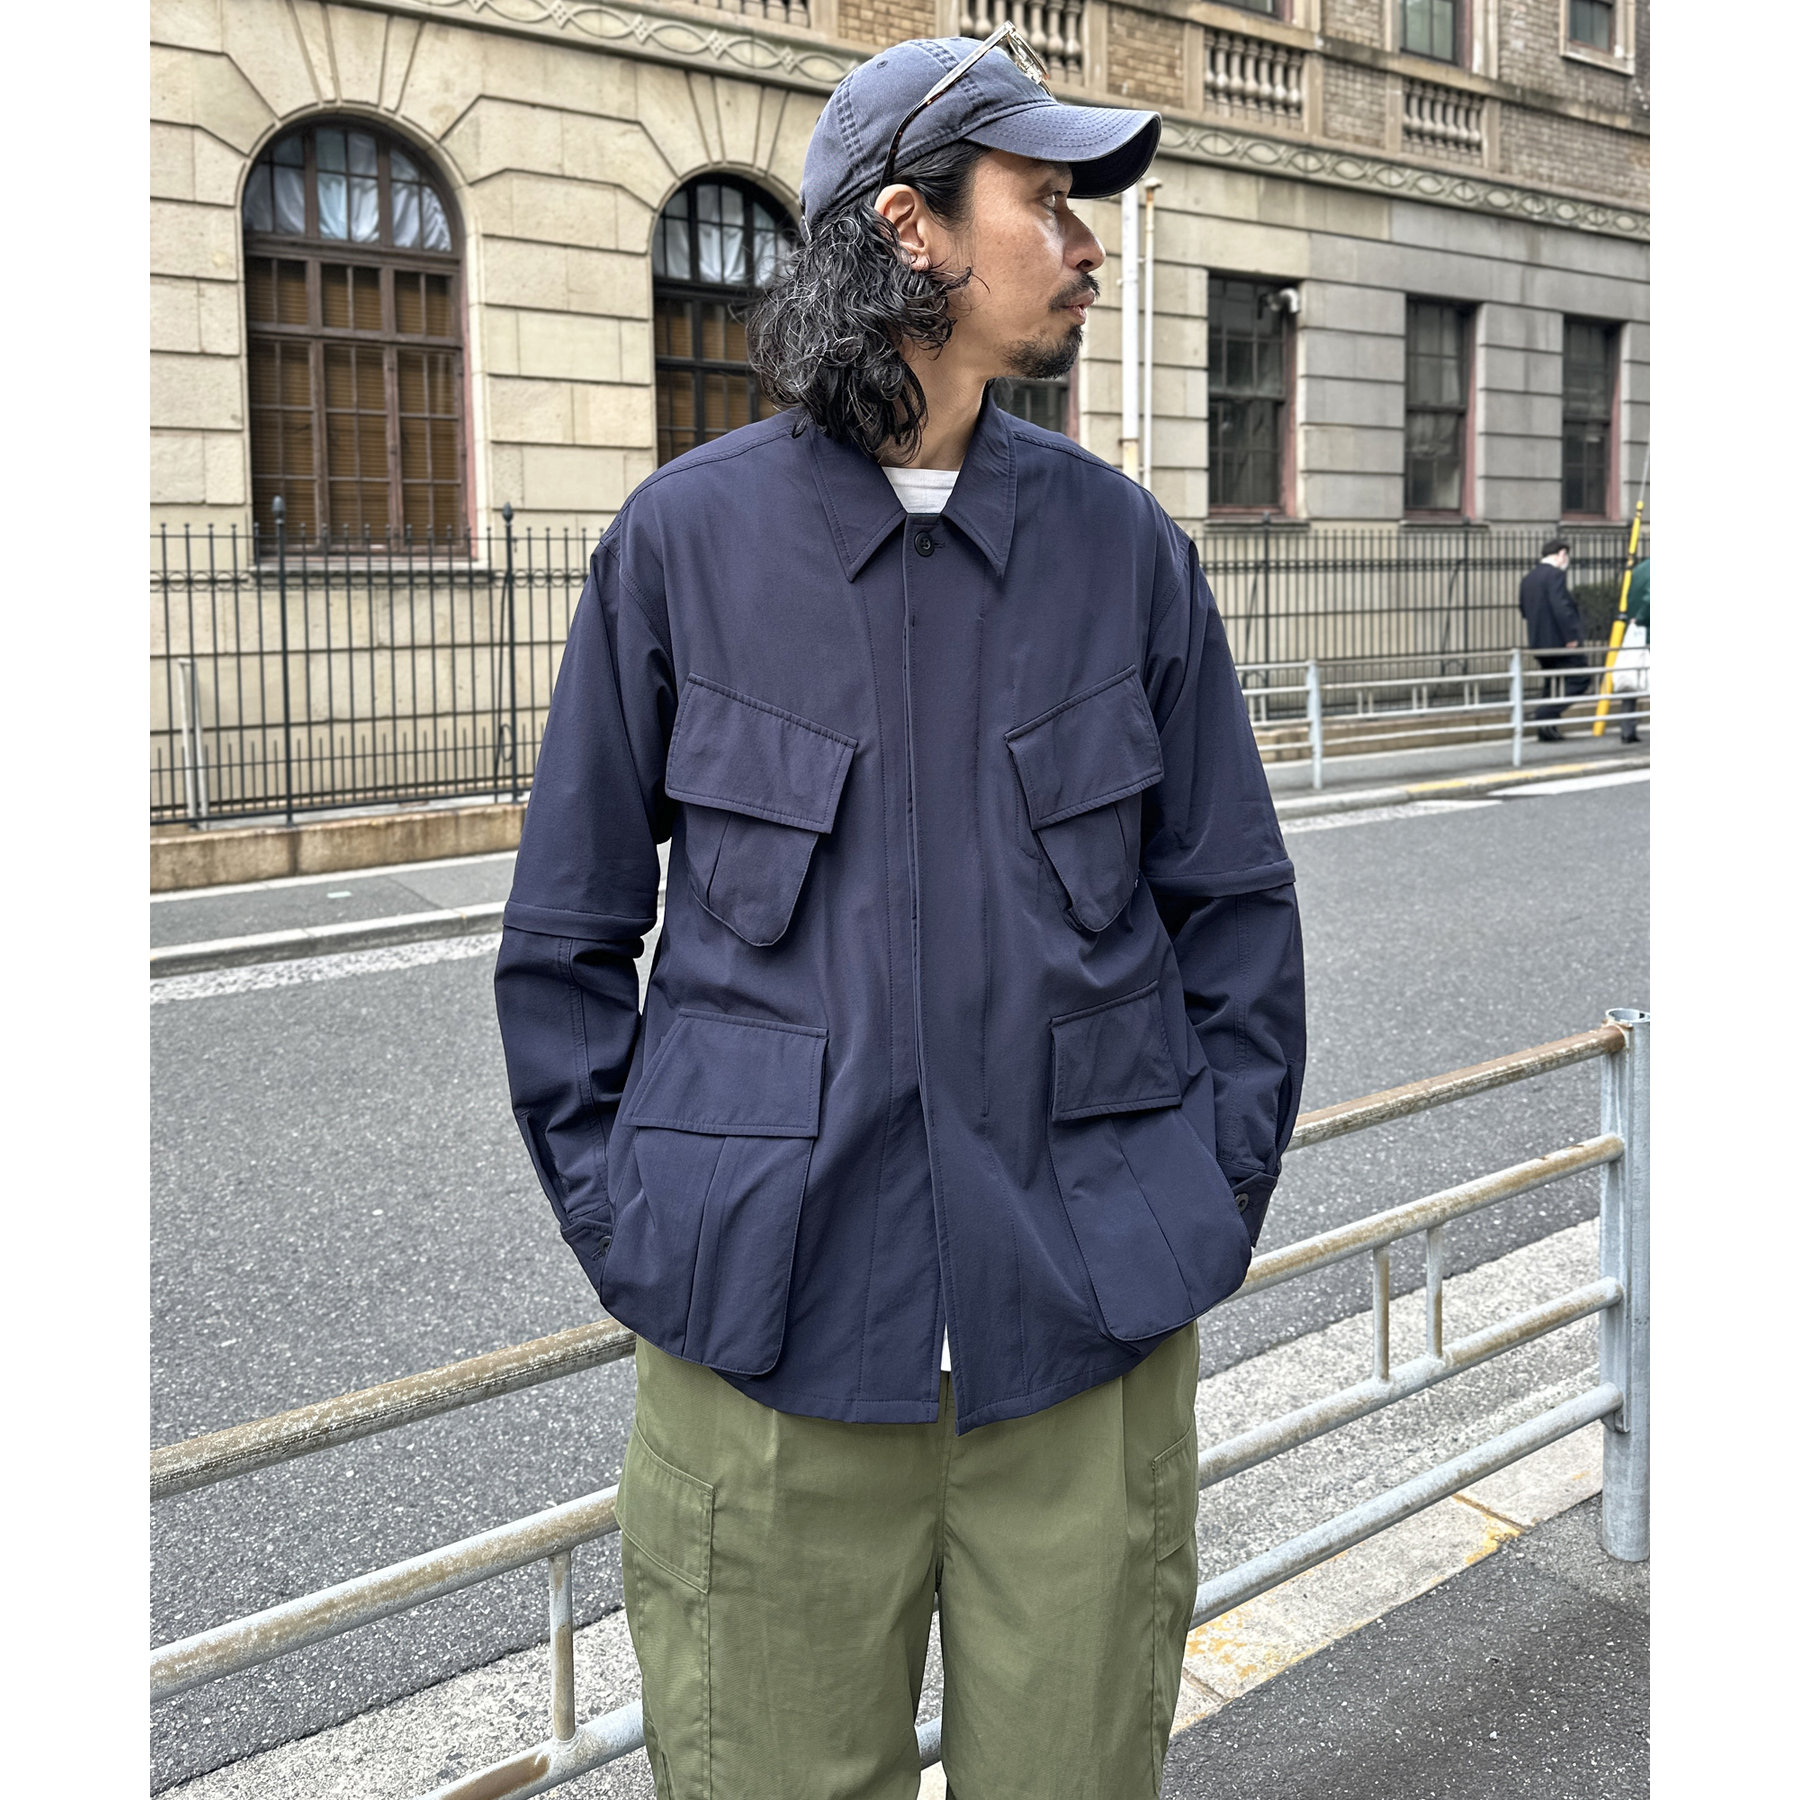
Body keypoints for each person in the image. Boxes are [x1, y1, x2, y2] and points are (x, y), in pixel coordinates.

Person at [494, 26, 1305, 1798]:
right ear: (910, 226)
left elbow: (1238, 924)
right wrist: (649, 1233)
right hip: (763, 1366)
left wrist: (1193, 1207)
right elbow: (562, 944)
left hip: (1081, 1356)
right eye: (1046, 200)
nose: (1086, 243)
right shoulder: (682, 549)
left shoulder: (1126, 556)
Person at [1519, 538, 1591, 742]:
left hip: (1539, 642)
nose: (1566, 560)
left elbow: (1523, 610)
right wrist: (1570, 636)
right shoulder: (1555, 575)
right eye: (1565, 555)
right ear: (1561, 554)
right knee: (1580, 679)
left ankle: (1547, 729)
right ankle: (1543, 714)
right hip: (1560, 641)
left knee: (1552, 683)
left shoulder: (1529, 578)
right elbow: (1561, 607)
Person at [1610, 555, 1649, 744]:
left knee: (1631, 680)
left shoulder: (1639, 569)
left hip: (1635, 633)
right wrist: (1641, 618)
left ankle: (1627, 729)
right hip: (1648, 628)